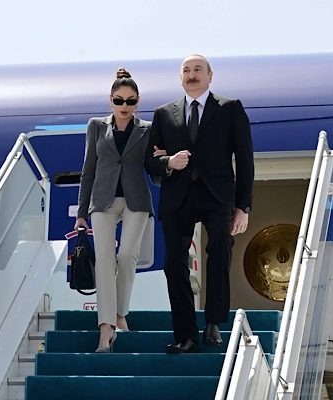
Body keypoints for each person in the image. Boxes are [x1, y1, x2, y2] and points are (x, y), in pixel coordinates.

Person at [145, 54, 254, 354]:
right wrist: (169, 161)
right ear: (180, 77)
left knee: (220, 249)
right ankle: (186, 335)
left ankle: (213, 323)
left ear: (210, 75)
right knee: (173, 263)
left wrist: (243, 206)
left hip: (217, 196)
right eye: (186, 70)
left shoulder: (230, 108)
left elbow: (245, 160)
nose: (192, 75)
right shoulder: (163, 113)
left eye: (197, 70)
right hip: (178, 197)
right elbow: (149, 162)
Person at [75, 68, 154, 353]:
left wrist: (166, 162)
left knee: (128, 255)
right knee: (105, 260)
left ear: (137, 101)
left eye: (130, 101)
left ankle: (121, 313)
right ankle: (106, 327)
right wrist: (81, 212)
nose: (124, 106)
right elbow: (88, 170)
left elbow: (154, 168)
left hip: (136, 200)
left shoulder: (147, 129)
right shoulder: (96, 126)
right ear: (110, 100)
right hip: (103, 200)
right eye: (119, 101)